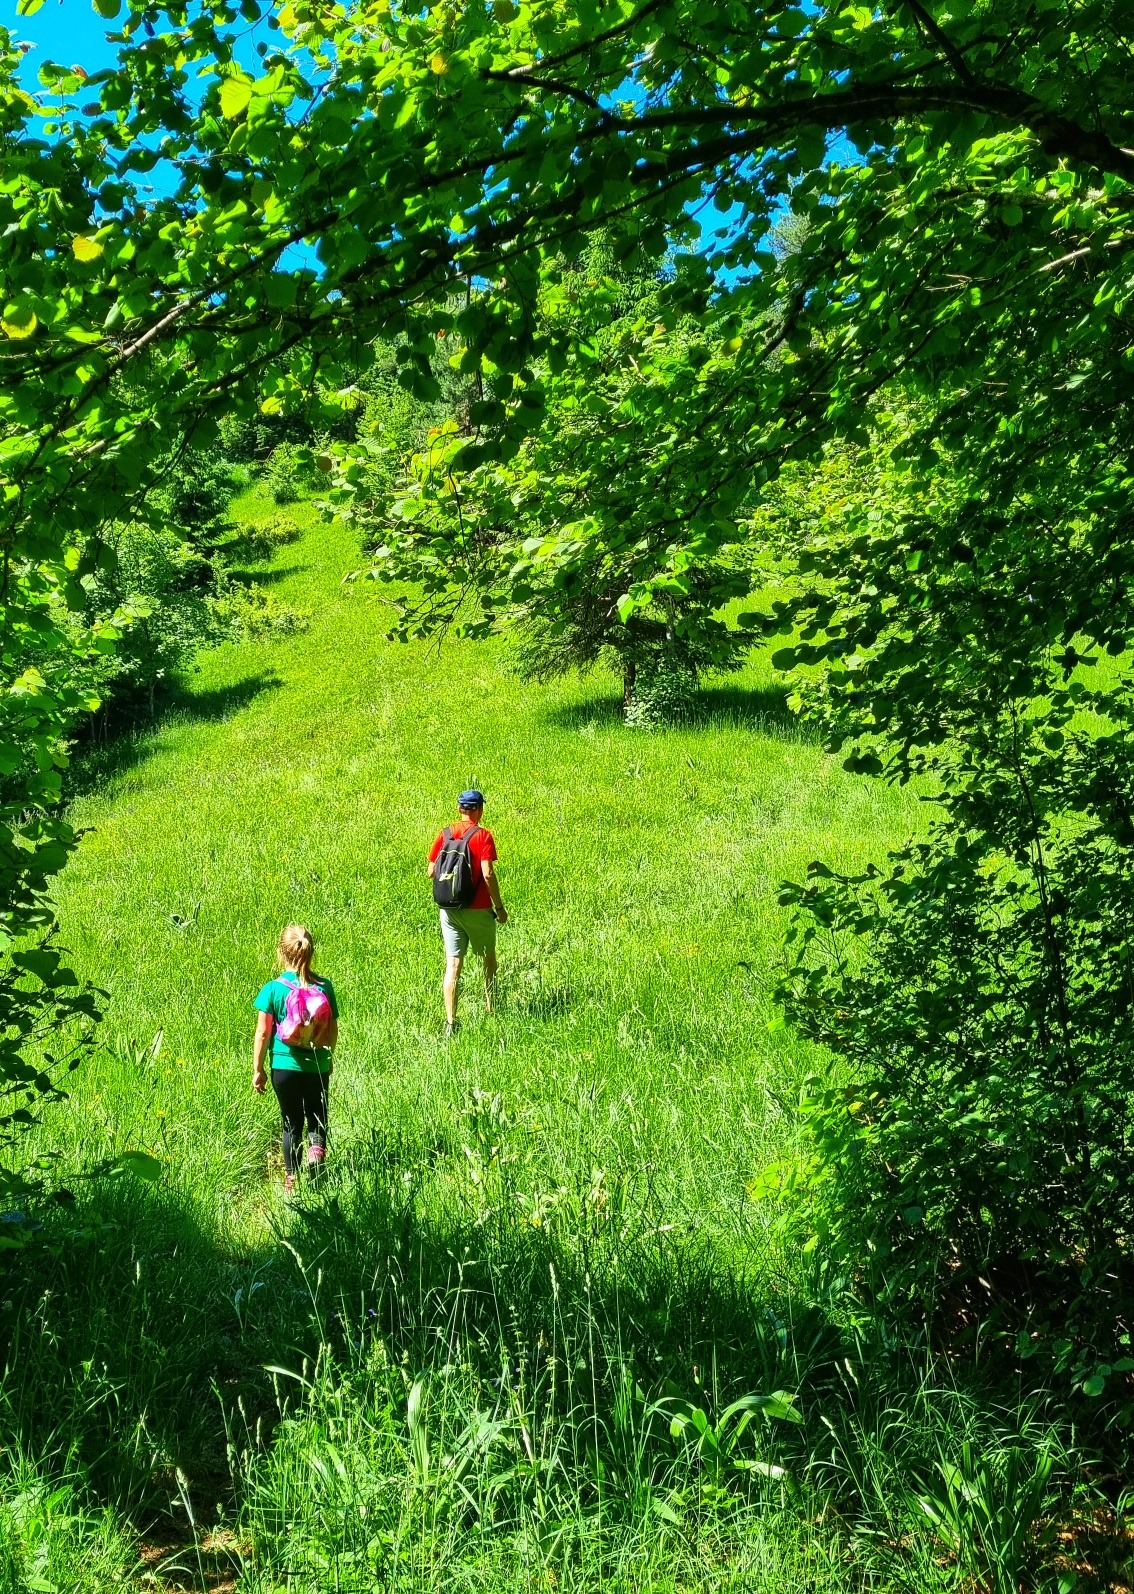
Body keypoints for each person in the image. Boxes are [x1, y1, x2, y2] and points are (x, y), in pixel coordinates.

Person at [252, 924, 339, 1194]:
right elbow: (332, 1029)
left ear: (282, 953)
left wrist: (258, 1069)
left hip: (284, 1067)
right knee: (317, 1116)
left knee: (291, 1123)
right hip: (316, 1065)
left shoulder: (273, 989)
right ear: (311, 952)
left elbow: (264, 1033)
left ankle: (291, 1181)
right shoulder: (325, 987)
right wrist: (328, 1057)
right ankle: (316, 1156)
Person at [427, 788, 507, 1036]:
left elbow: (431, 872)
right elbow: (487, 873)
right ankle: (492, 1008)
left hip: (449, 910)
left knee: (453, 964)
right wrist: (500, 907)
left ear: (460, 809)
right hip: (479, 908)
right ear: (479, 809)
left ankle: (450, 1022)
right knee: (488, 959)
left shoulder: (445, 834)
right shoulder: (483, 836)